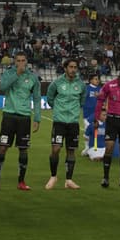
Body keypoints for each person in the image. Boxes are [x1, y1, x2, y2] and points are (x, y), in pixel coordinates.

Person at [0, 52, 41, 191]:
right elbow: (3, 87)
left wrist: (37, 118)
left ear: (26, 61)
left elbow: (37, 99)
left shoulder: (33, 78)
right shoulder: (8, 73)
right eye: (18, 60)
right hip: (9, 115)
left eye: (23, 60)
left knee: (23, 150)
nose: (20, 63)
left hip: (24, 117)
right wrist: (17, 74)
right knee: (2, 147)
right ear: (15, 62)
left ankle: (21, 182)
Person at [45, 57, 87, 190]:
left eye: (75, 67)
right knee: (56, 149)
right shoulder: (56, 83)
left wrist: (73, 112)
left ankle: (69, 180)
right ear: (65, 68)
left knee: (71, 151)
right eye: (71, 67)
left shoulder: (80, 84)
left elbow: (82, 100)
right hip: (59, 122)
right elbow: (50, 99)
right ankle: (53, 176)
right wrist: (59, 110)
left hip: (73, 122)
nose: (73, 70)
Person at [80, 73, 105, 161]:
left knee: (96, 131)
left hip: (97, 114)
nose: (97, 80)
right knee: (88, 131)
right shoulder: (86, 89)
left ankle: (94, 148)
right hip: (88, 114)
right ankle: (87, 148)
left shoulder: (100, 89)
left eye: (98, 79)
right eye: (95, 79)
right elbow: (82, 100)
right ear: (90, 80)